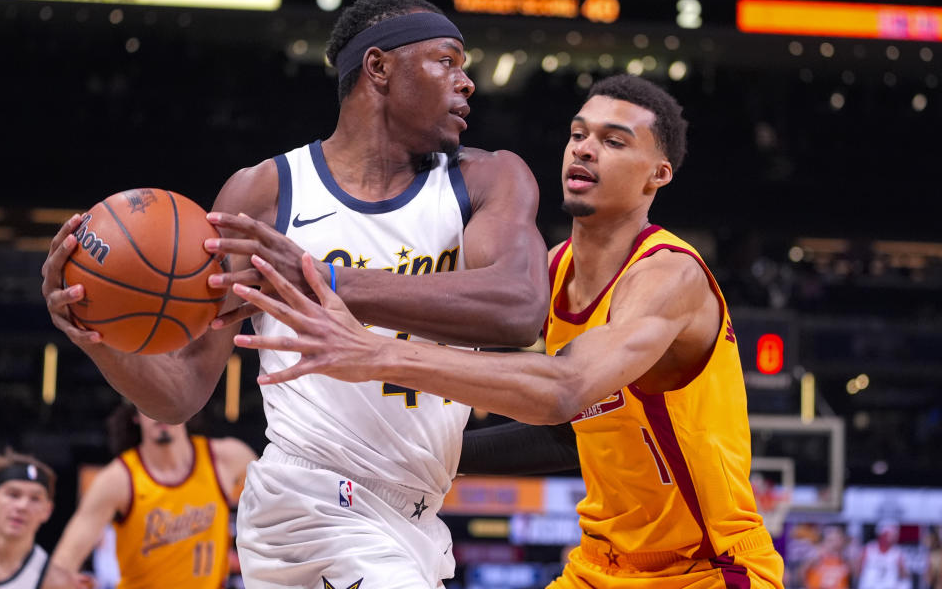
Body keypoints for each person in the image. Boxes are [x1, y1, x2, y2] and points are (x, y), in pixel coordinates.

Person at [40, 0, 548, 587]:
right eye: (447, 60)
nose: (467, 83)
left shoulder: (488, 179)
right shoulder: (266, 194)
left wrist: (324, 277)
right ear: (378, 68)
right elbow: (179, 394)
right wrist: (94, 333)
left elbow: (518, 309)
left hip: (417, 516)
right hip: (309, 501)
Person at [234, 73, 786, 588]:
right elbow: (569, 431)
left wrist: (376, 353)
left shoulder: (669, 275)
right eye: (578, 134)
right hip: (598, 564)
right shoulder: (551, 272)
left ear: (657, 174)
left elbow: (563, 390)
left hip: (707, 566)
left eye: (614, 142)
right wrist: (416, 455)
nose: (584, 148)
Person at [50, 402, 256, 589]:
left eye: (167, 401)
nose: (160, 411)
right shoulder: (117, 479)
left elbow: (277, 509)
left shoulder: (227, 458)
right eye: (149, 402)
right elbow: (63, 563)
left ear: (188, 410)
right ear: (135, 415)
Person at [0, 450, 90, 589]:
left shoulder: (57, 582)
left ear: (47, 510)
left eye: (35, 499)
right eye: (13, 495)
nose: (23, 506)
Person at [855, 520, 908, 589]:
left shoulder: (897, 552)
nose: (895, 537)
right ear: (883, 534)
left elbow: (904, 575)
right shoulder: (869, 549)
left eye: (895, 534)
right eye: (892, 534)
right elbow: (857, 571)